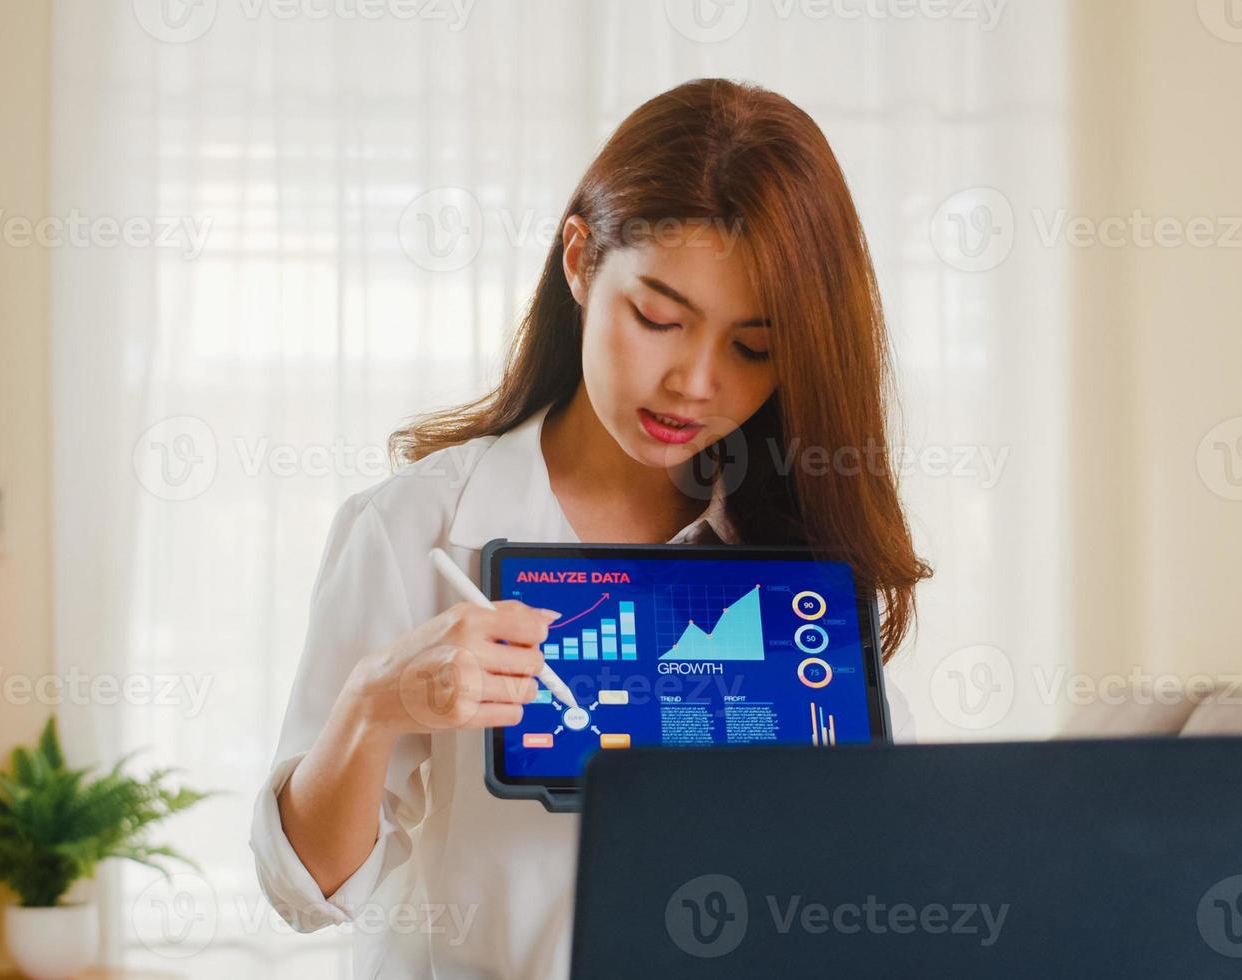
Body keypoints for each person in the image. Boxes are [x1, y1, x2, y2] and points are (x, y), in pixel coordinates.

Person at [250, 77, 931, 979]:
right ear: (579, 260)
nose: (695, 381)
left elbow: (877, 849)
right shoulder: (419, 527)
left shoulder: (804, 552)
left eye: (753, 347)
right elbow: (305, 887)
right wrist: (376, 704)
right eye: (658, 318)